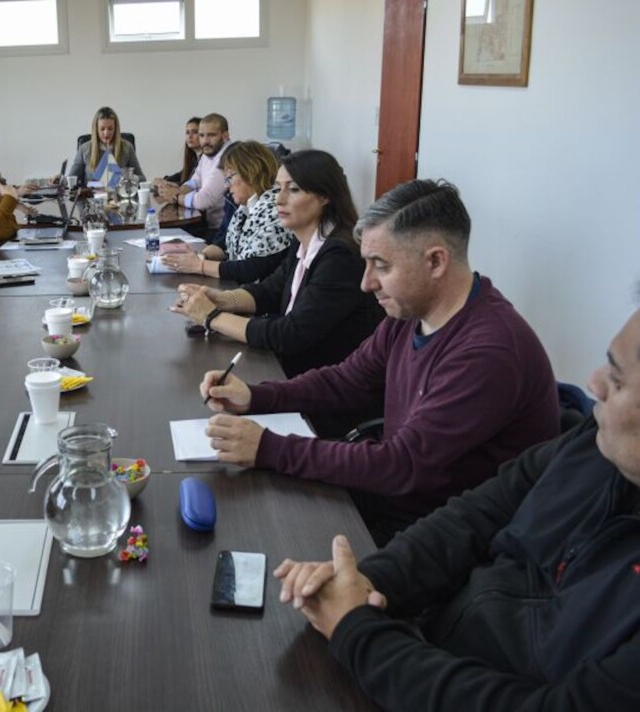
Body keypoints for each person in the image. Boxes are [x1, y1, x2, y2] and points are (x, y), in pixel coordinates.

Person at [274, 306, 640, 710]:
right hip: (425, 646)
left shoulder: (491, 348)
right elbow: (477, 513)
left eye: (618, 380)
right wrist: (365, 583)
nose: (594, 383)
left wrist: (359, 632)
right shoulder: (596, 443)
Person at [200, 179, 560, 544]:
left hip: (438, 538)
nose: (366, 283)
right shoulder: (411, 315)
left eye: (381, 266)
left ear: (435, 261)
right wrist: (256, 396)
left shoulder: (488, 352)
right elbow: (345, 380)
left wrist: (269, 447)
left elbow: (401, 465)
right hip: (395, 504)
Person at [171, 150, 384, 438]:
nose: (279, 199)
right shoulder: (308, 242)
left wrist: (212, 317)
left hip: (326, 402)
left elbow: (290, 334)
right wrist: (221, 298)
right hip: (295, 379)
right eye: (279, 187)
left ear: (325, 196)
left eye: (293, 189)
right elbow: (269, 291)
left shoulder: (340, 255)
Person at [160, 140, 291, 284]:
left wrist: (199, 266)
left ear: (250, 173)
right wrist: (199, 256)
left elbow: (251, 269)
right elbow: (227, 245)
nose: (226, 185)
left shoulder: (275, 210)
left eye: (229, 177)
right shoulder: (247, 207)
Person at [157, 113, 232, 235]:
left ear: (225, 136)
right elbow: (195, 181)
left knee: (168, 235)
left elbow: (203, 200)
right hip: (207, 223)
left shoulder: (227, 158)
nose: (205, 141)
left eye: (211, 135)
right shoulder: (209, 153)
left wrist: (176, 197)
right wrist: (179, 190)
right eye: (202, 135)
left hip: (221, 231)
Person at [68, 107, 144, 188]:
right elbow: (72, 178)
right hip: (91, 197)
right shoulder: (84, 149)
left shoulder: (127, 148)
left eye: (110, 129)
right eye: (102, 129)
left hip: (119, 197)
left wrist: (128, 177)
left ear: (116, 129)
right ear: (96, 129)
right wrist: (60, 179)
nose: (106, 133)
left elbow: (142, 179)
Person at [155, 116, 201, 187]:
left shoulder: (206, 160)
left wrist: (173, 184)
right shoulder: (194, 159)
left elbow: (194, 185)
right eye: (187, 132)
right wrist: (165, 180)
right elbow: (182, 175)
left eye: (194, 132)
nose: (190, 136)